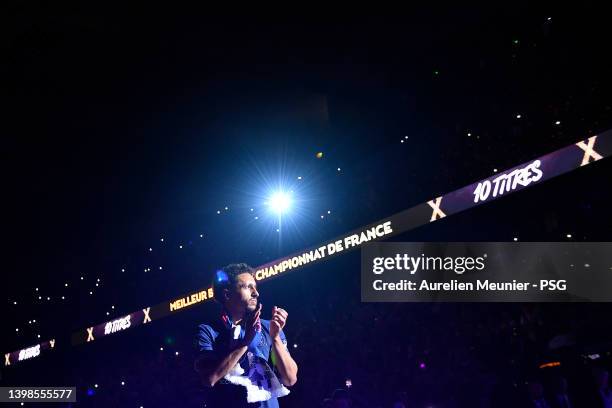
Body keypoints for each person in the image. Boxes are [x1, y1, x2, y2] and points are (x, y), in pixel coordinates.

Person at [194, 263, 298, 407]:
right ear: (227, 294)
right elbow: (210, 378)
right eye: (247, 287)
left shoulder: (269, 327)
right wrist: (245, 342)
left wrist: (275, 338)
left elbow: (290, 379)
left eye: (255, 287)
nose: (256, 293)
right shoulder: (208, 331)